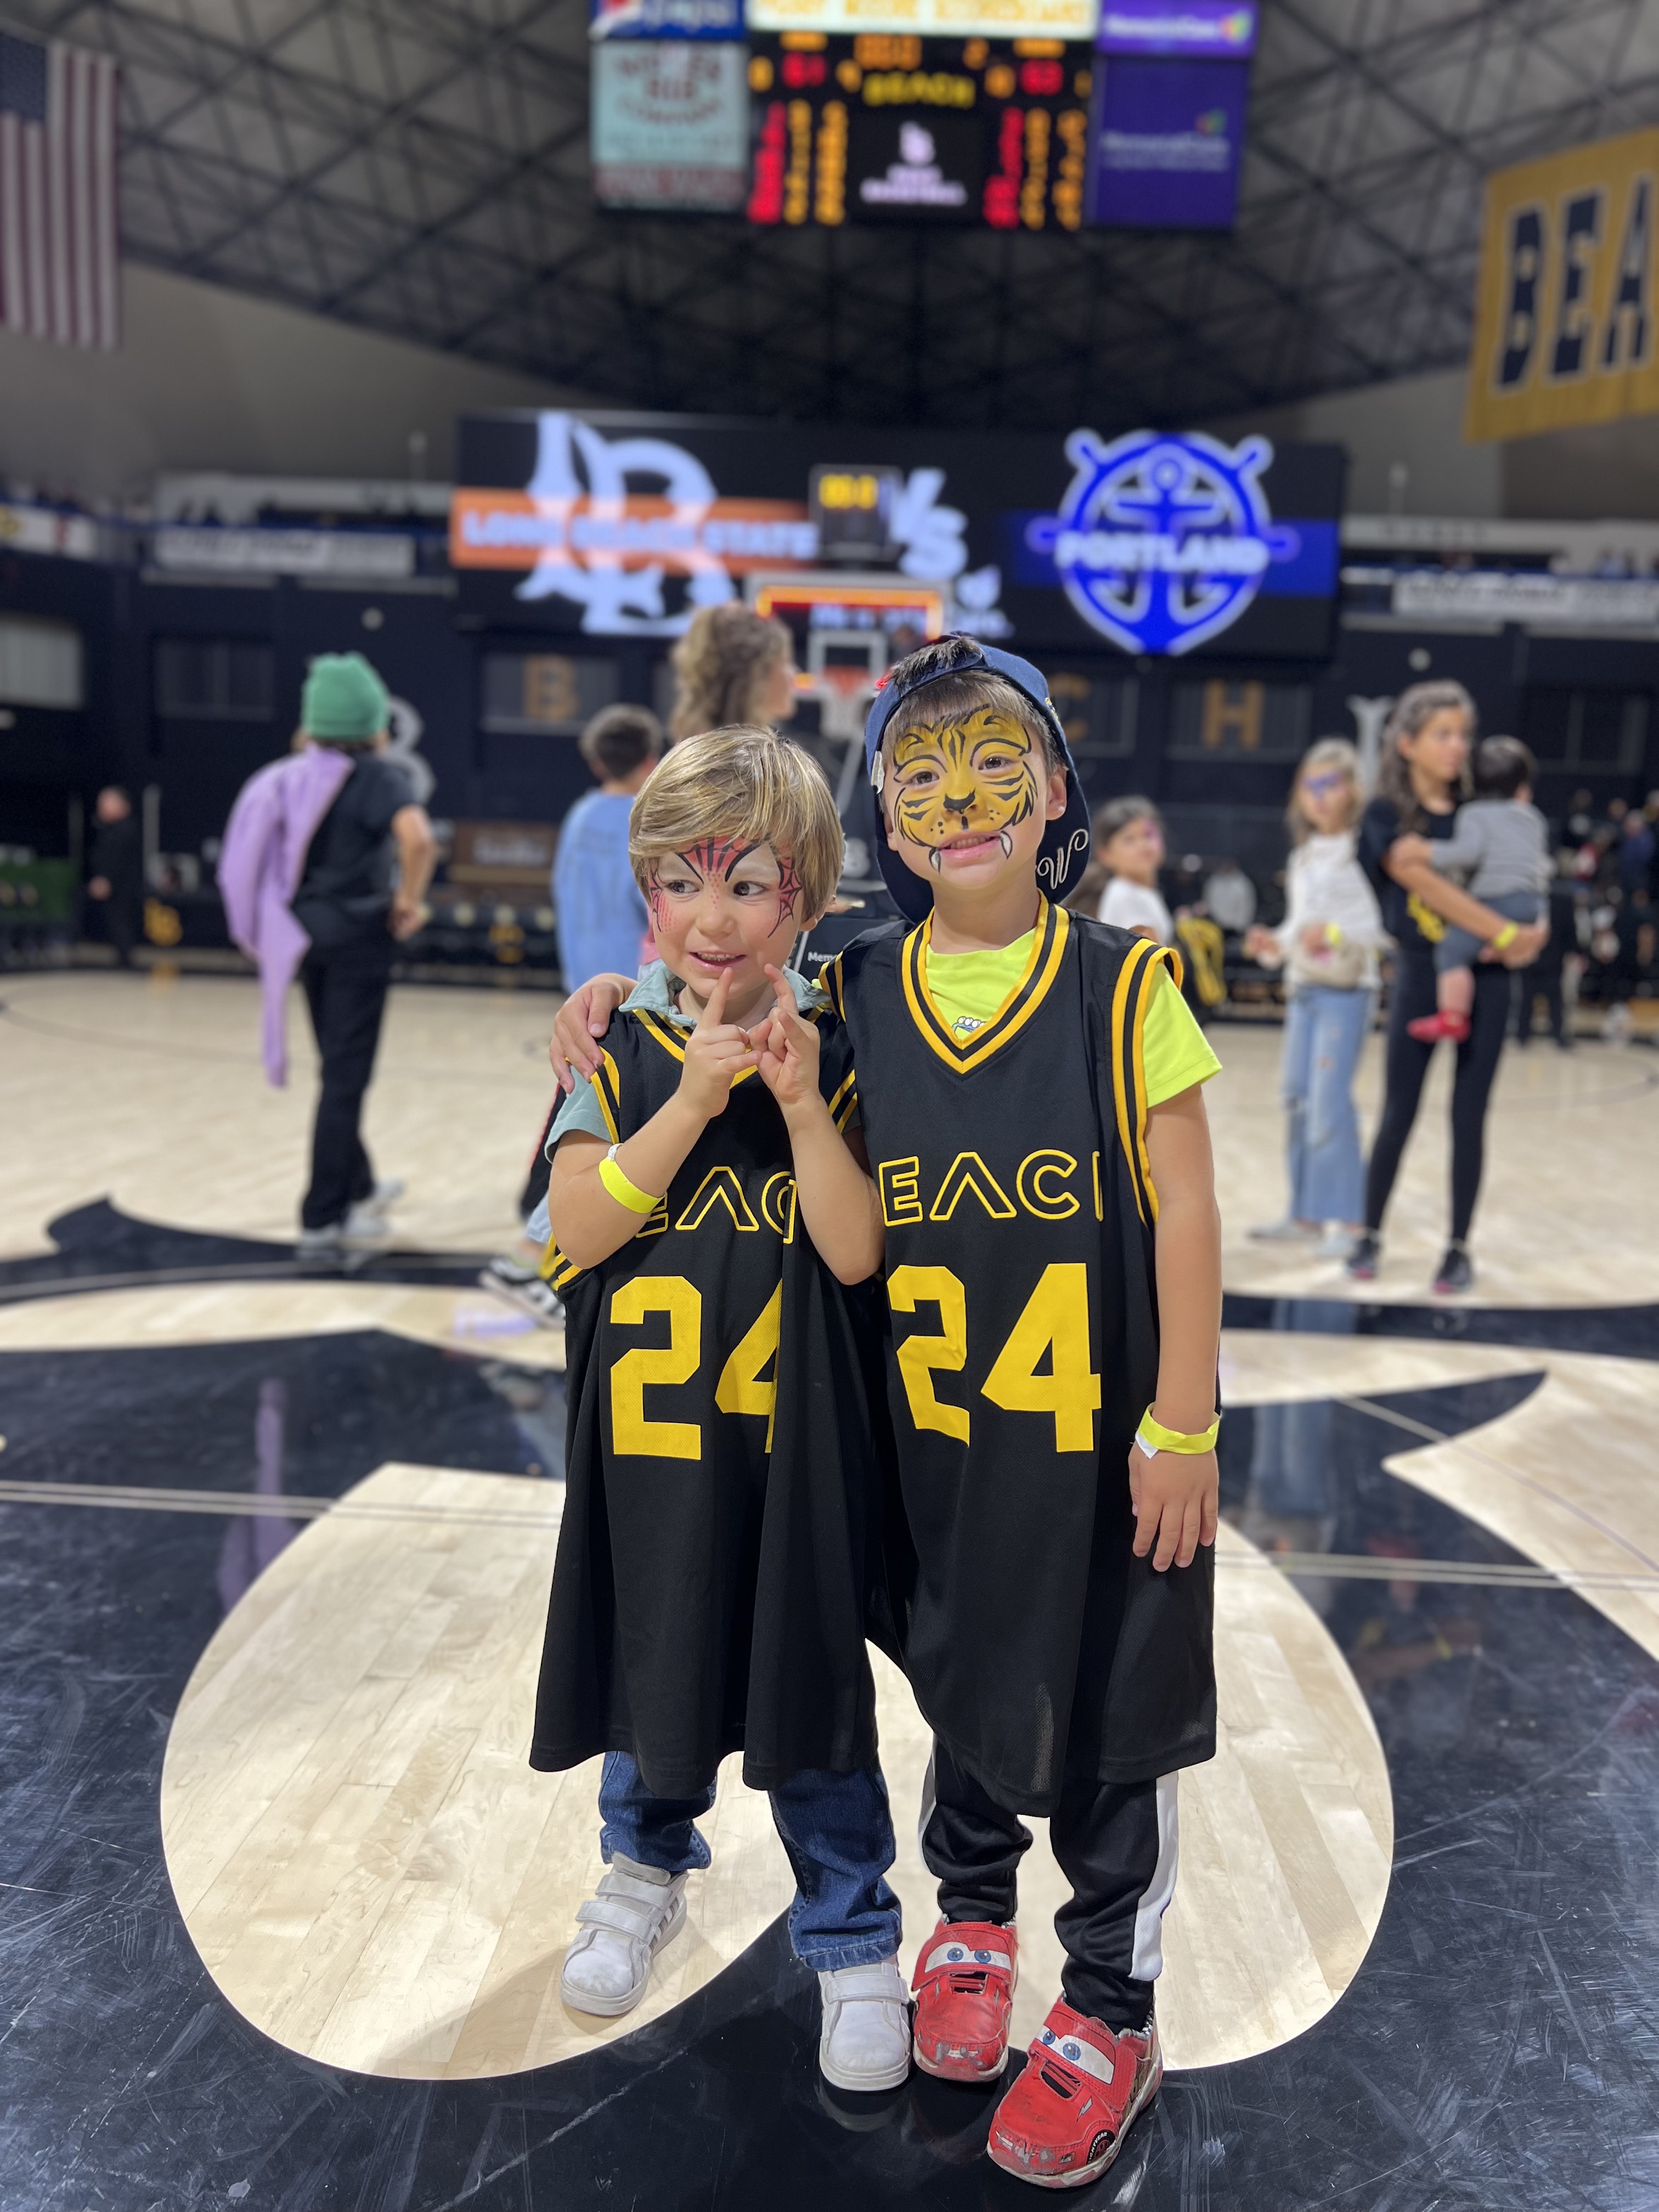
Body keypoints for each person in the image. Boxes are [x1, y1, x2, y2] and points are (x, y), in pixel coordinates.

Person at [551, 639, 1220, 2186]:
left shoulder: (1122, 984)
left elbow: (1188, 1215)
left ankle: (1112, 2004)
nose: (959, 800)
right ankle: (968, 1931)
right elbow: (699, 969)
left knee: (1114, 1720)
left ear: (1055, 788)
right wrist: (615, 998)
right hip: (941, 1450)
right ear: (888, 820)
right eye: (921, 777)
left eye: (995, 769)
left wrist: (1182, 1420)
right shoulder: (857, 983)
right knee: (964, 1699)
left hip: (1101, 1445)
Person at [532, 726, 911, 2096]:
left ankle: (855, 1932)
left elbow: (858, 1250)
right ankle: (640, 1872)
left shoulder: (842, 1047)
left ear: (804, 901)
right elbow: (575, 1225)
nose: (712, 917)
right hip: (656, 1456)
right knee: (655, 1678)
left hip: (794, 1459)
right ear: (648, 901)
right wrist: (691, 1101)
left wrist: (804, 1110)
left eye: (749, 884)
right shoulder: (623, 1046)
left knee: (813, 1703)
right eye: (684, 886)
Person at [1346, 683, 1547, 1295]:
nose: (1458, 746)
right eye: (1443, 734)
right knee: (1399, 1113)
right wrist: (1512, 932)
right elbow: (1419, 881)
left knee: (1470, 1116)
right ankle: (1370, 1233)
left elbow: (1527, 867)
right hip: (1420, 975)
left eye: (1464, 734)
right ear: (1406, 743)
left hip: (1487, 983)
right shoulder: (1387, 815)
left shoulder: (1480, 812)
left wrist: (1535, 929)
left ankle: (1458, 1247)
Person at [287, 655, 435, 1256]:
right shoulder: (377, 776)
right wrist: (409, 900)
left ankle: (360, 1183)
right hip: (358, 938)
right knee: (345, 1078)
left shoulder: (297, 774)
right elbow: (419, 838)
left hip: (302, 933)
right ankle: (323, 1215)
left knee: (334, 1066)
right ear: (373, 721)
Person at [1245, 738, 1387, 1255]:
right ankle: (1305, 1216)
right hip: (1304, 991)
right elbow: (1298, 929)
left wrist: (1329, 937)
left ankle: (1350, 1224)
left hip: (1345, 995)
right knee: (1300, 1103)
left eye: (1332, 784)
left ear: (1352, 790)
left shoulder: (1363, 851)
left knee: (1331, 1108)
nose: (1322, 796)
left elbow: (1380, 929)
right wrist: (1273, 945)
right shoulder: (1305, 854)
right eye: (1312, 785)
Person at [1395, 736, 1550, 1045]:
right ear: (1522, 788)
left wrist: (1423, 850)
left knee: (1452, 950)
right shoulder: (1533, 818)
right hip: (1529, 902)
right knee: (1487, 947)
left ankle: (1452, 1016)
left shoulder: (1475, 814)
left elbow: (1466, 852)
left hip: (1495, 901)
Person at [551, 704, 662, 991]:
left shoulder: (578, 817)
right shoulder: (647, 822)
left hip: (582, 980)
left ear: (597, 763)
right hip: (636, 983)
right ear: (651, 761)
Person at [668, 602, 799, 741]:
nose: (793, 673)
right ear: (758, 674)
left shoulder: (698, 746)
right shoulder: (736, 755)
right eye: (785, 662)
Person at [1091, 795, 1173, 943]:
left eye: (1148, 835)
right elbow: (1147, 961)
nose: (1143, 845)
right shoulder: (1126, 896)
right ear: (1106, 854)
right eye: (1129, 840)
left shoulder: (1141, 892)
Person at [85, 786, 144, 968]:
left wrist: (105, 880)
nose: (102, 807)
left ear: (123, 805)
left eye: (107, 803)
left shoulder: (126, 830)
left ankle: (125, 961)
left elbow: (117, 860)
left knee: (122, 922)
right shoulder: (109, 829)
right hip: (115, 886)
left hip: (123, 888)